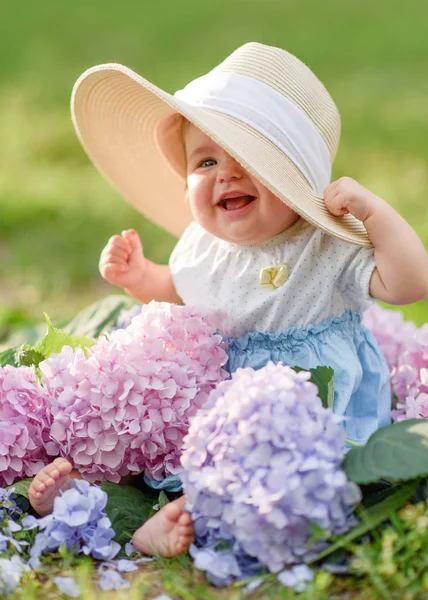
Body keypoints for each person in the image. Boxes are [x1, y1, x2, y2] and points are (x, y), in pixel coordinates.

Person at [29, 42, 428, 557]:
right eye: (206, 160)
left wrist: (377, 215)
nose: (226, 173)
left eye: (249, 159)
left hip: (305, 408)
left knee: (270, 478)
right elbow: (183, 293)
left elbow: (410, 285)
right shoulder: (203, 244)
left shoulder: (325, 246)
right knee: (162, 443)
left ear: (297, 176)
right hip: (211, 395)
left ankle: (183, 520)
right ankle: (94, 499)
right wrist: (140, 277)